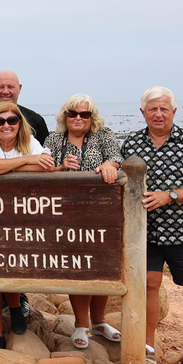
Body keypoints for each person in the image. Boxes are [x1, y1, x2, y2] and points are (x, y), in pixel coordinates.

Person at [121, 86, 183, 364]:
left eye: (164, 109)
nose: (158, 114)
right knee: (148, 284)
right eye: (152, 109)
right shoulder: (131, 144)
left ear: (174, 112)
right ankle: (146, 347)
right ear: (143, 113)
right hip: (144, 232)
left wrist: (170, 195)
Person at [44, 94, 124, 348]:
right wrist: (60, 168)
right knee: (77, 267)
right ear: (64, 116)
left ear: (92, 118)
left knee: (100, 266)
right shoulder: (54, 139)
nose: (78, 118)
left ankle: (99, 320)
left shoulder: (104, 135)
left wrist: (110, 165)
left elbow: (115, 157)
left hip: (100, 214)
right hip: (64, 215)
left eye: (84, 114)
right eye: (73, 113)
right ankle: (81, 323)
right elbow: (43, 168)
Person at [0, 102, 54, 348]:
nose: (6, 125)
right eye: (0, 121)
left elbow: (47, 168)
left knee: (12, 266)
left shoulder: (31, 141)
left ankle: (17, 306)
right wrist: (27, 162)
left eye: (12, 120)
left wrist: (5, 168)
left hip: (23, 216)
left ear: (20, 122)